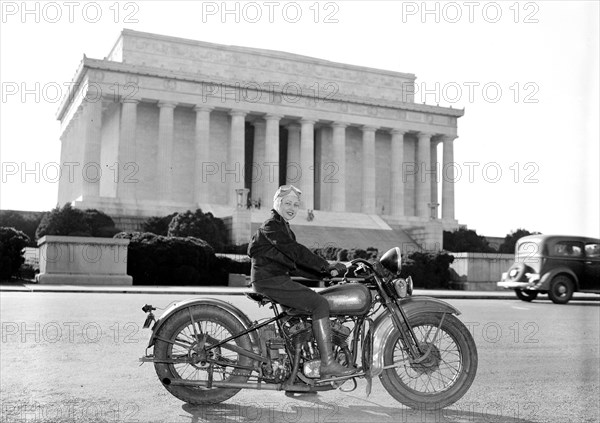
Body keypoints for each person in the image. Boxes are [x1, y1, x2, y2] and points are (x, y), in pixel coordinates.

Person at [247, 185, 355, 378]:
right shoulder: (272, 225)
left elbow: (296, 265)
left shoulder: (284, 228)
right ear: (276, 203)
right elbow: (297, 252)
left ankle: (298, 374)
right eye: (287, 203)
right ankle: (328, 363)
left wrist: (326, 274)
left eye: (296, 205)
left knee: (302, 315)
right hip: (270, 281)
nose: (292, 207)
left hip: (275, 279)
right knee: (319, 304)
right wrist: (325, 264)